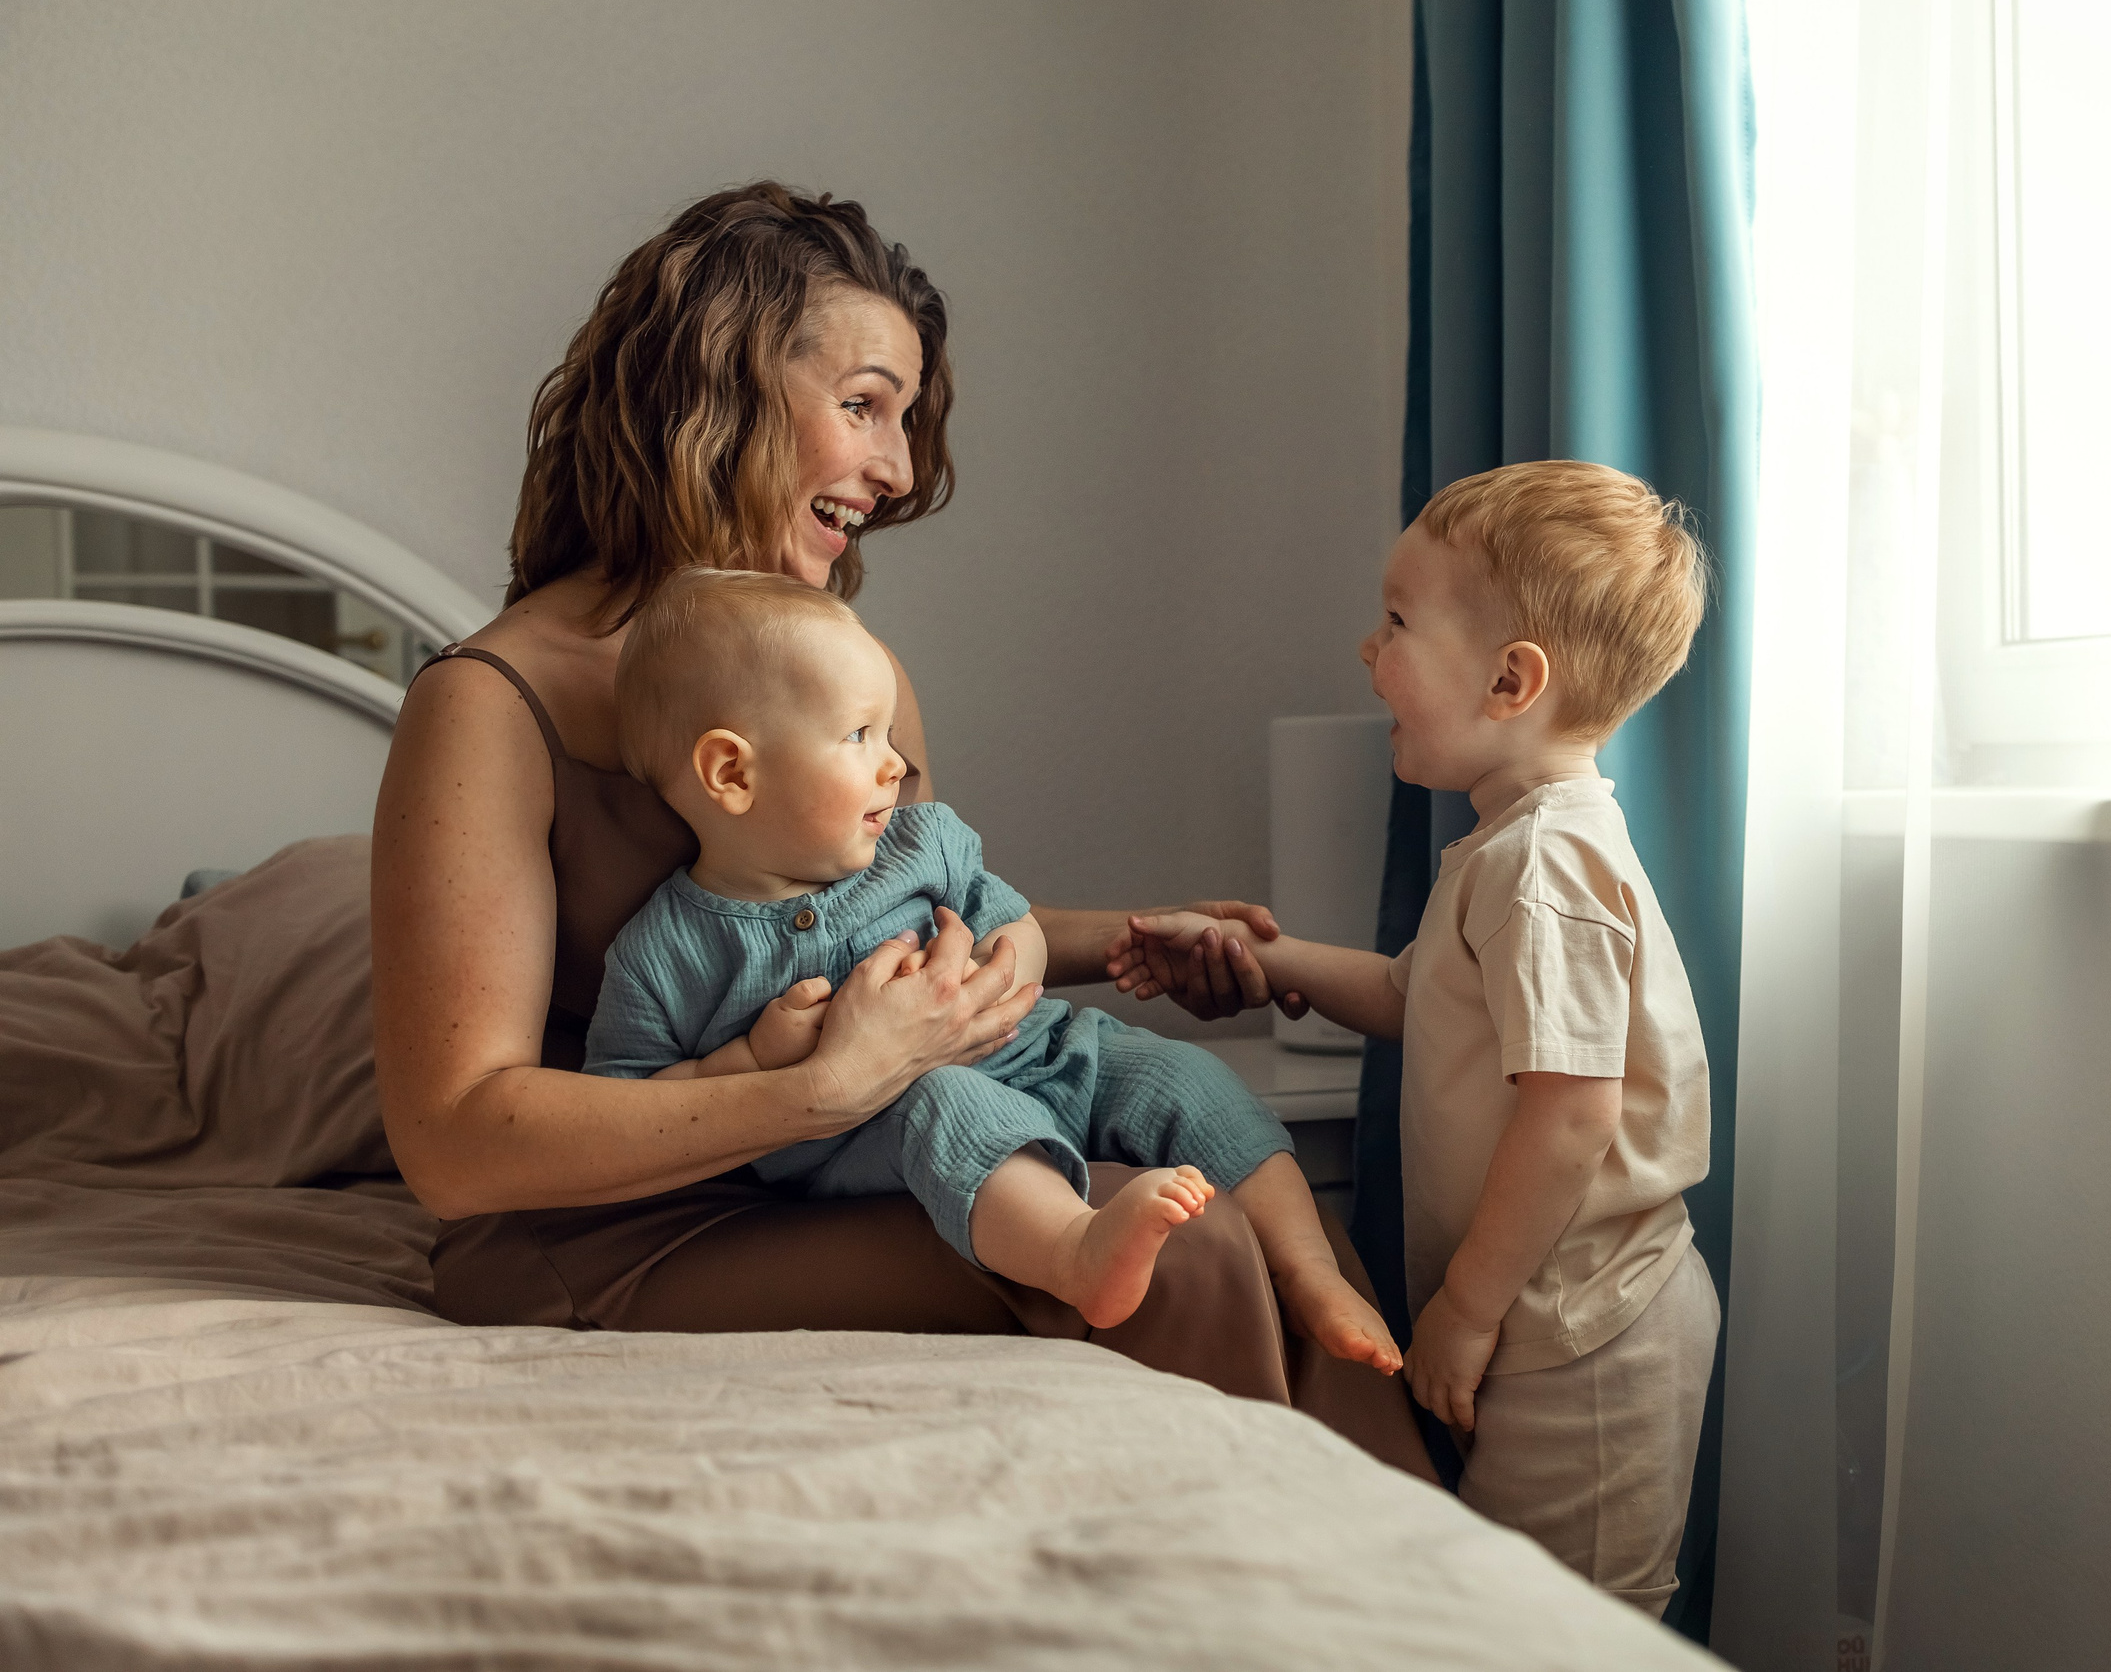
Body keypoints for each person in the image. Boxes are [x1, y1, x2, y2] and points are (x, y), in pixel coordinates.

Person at [370, 180, 1425, 1475]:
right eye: (865, 405)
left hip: (852, 1159)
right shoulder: (493, 705)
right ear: (719, 393)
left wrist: (1139, 938)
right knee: (1187, 1253)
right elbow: (459, 1144)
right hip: (614, 1229)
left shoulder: (840, 674)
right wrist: (821, 1084)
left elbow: (919, 930)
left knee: (1231, 1201)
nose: (902, 468)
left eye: (907, 418)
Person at [1113, 459, 1720, 1613]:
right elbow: (1414, 998)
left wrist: (1468, 1310)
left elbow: (1571, 1112)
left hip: (1583, 1325)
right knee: (1506, 1599)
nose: (1365, 649)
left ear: (1509, 680)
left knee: (1572, 1620)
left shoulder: (1546, 866)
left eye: (1395, 621)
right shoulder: (1509, 848)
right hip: (1550, 1313)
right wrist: (1266, 961)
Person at [581, 567, 1401, 1365]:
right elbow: (629, 1114)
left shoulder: (920, 840)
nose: (894, 763)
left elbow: (1016, 925)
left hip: (1045, 1047)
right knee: (944, 1101)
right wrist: (753, 1060)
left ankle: (1310, 1271)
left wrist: (999, 970)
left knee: (1183, 1074)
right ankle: (1076, 1251)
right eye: (859, 735)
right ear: (733, 772)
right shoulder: (666, 952)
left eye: (890, 734)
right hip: (878, 1129)